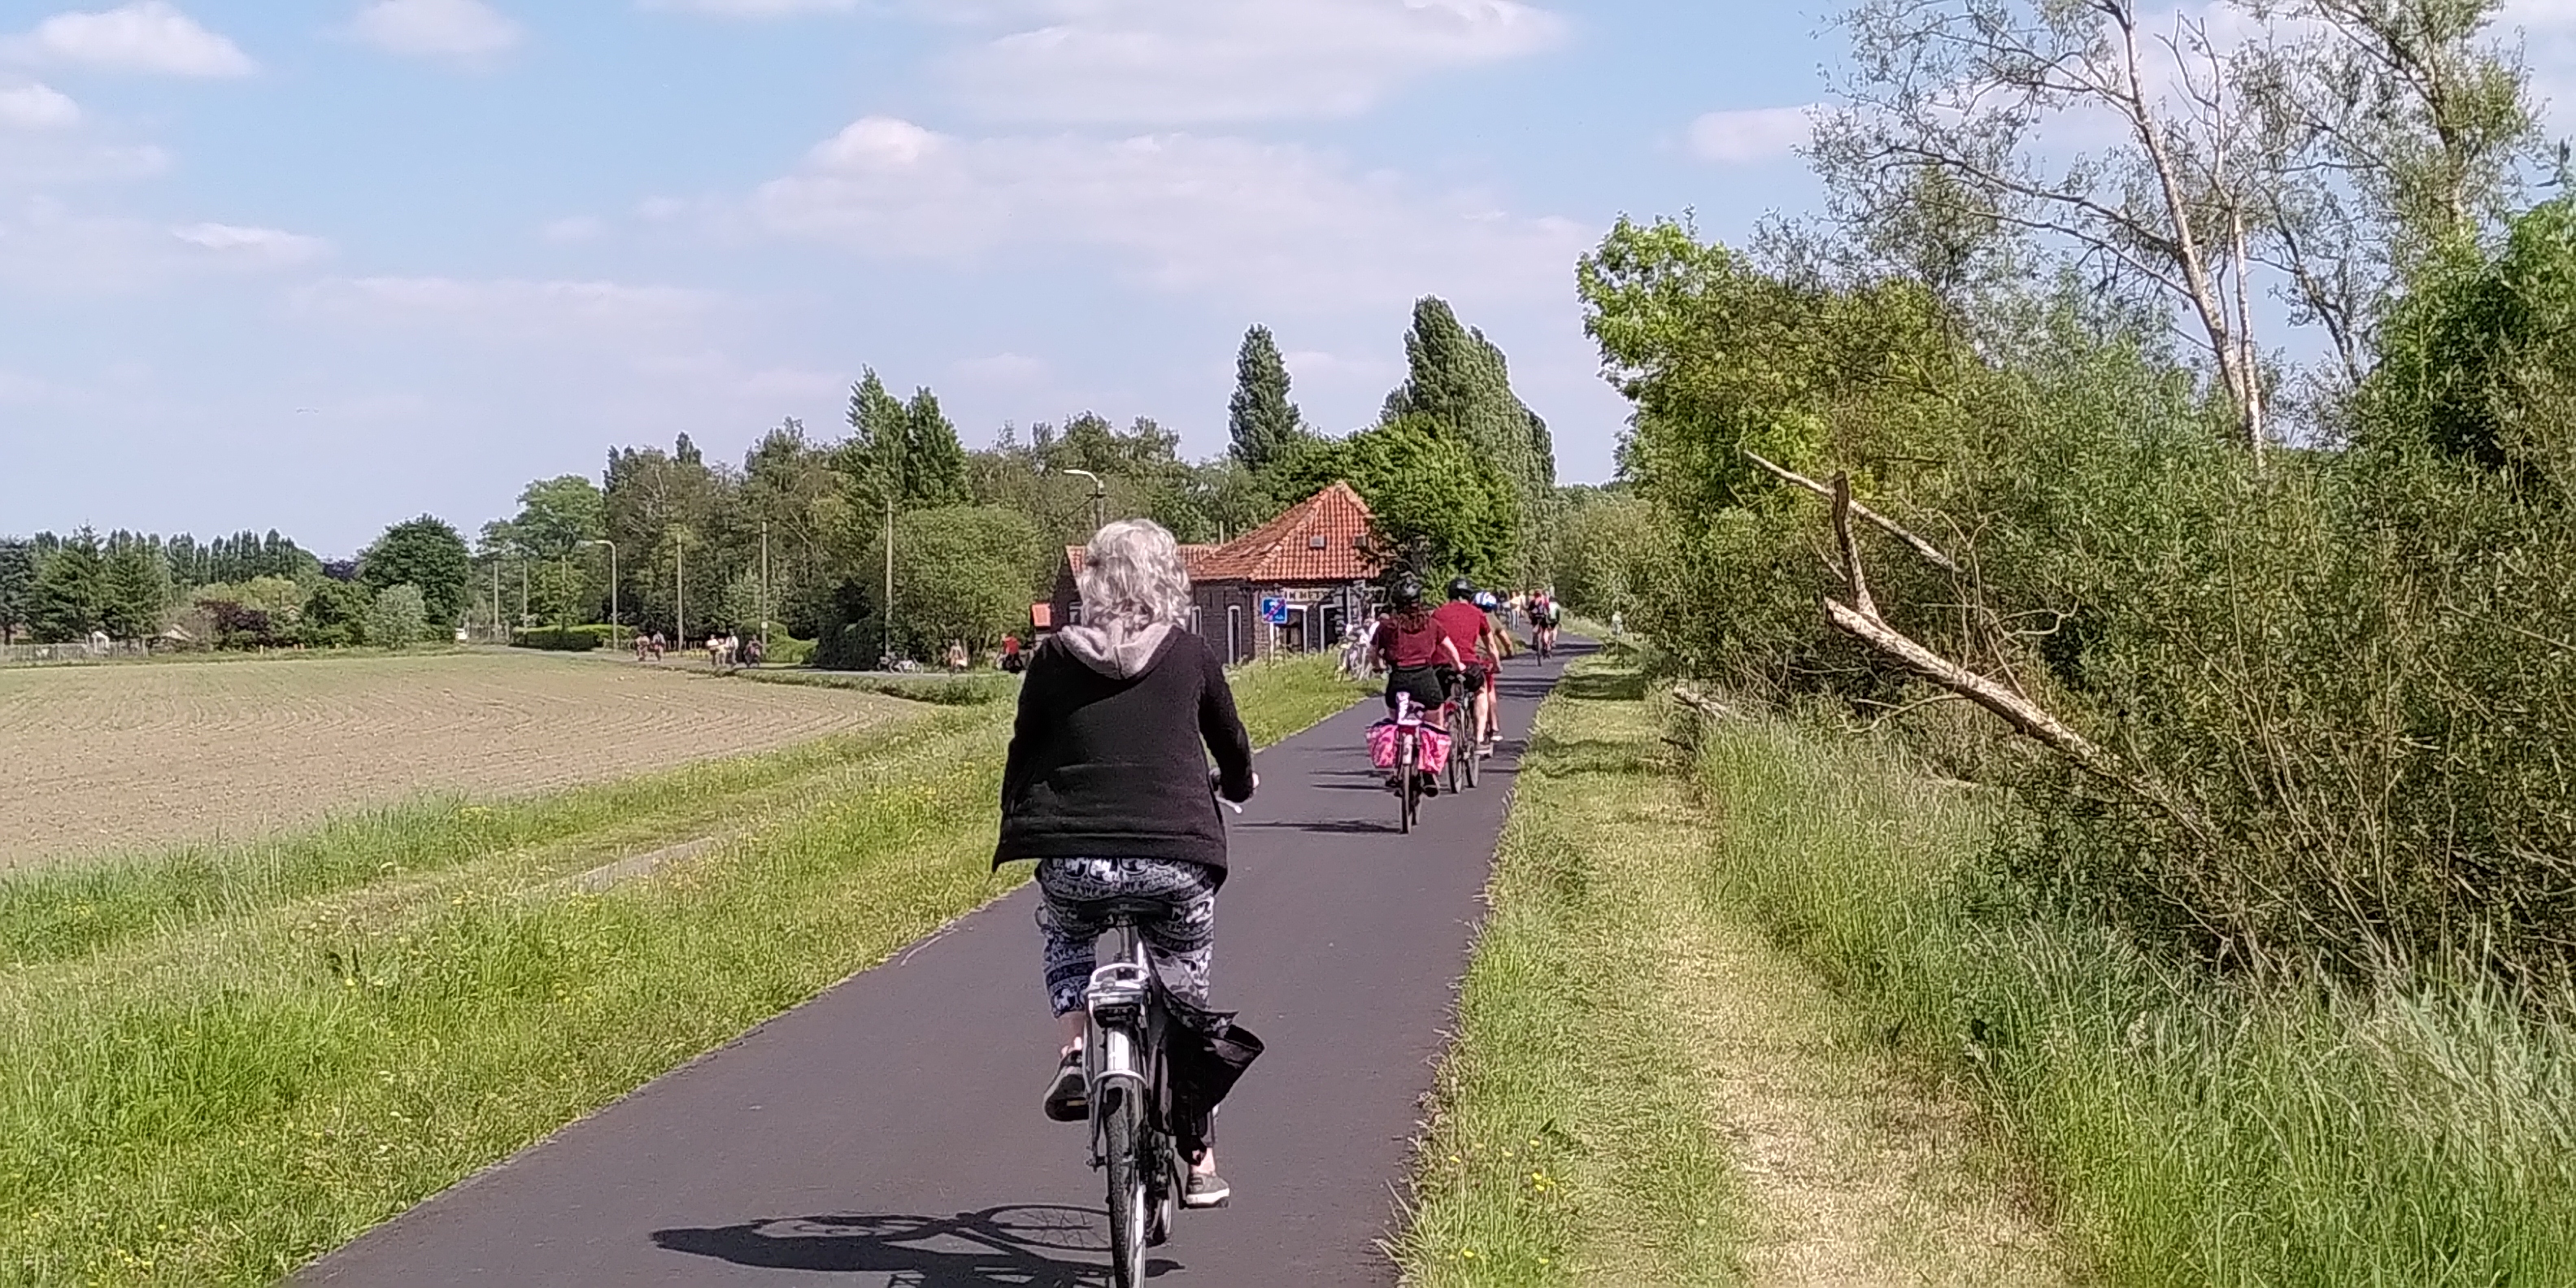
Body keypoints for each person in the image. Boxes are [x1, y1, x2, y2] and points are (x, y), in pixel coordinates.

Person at [996, 518, 1257, 1210]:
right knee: (1186, 1002)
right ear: (1169, 579)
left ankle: (1077, 1053)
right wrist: (1236, 785)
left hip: (1076, 859)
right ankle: (1199, 1162)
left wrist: (1017, 811)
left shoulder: (1053, 659)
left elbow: (1024, 749)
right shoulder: (1192, 654)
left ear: (1093, 582)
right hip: (1175, 859)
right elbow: (1230, 745)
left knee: (1066, 933)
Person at [1366, 576, 1464, 794]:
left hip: (1398, 679)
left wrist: (1378, 667)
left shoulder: (1386, 626)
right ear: (1419, 601)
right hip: (1425, 680)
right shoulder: (1431, 624)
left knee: (1395, 722)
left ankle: (1396, 769)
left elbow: (1373, 652)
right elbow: (1449, 649)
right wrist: (1459, 666)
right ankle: (1429, 770)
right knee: (1435, 724)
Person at [1431, 578, 1511, 751]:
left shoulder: (1438, 613)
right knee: (1481, 691)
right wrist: (1496, 664)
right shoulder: (1478, 614)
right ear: (1469, 595)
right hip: (1469, 664)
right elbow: (1491, 645)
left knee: (1440, 699)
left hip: (1442, 665)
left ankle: (1439, 738)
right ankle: (1479, 739)